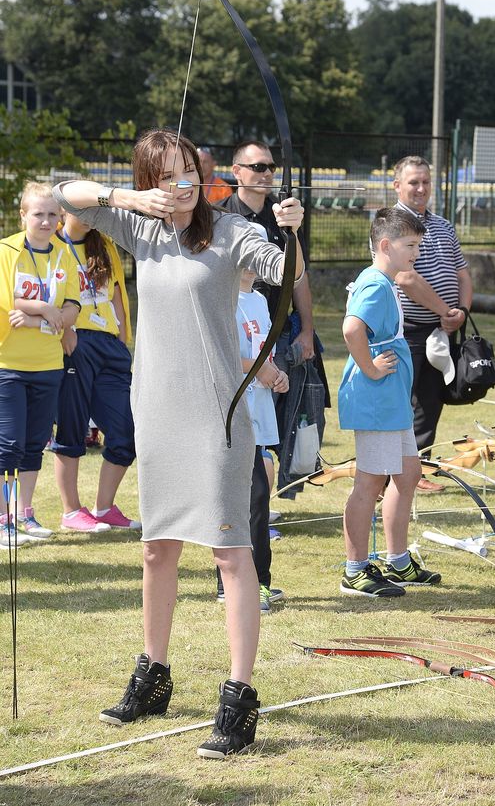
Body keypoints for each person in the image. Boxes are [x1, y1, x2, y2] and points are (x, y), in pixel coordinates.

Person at [53, 128, 304, 758]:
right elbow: (64, 193)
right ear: (150, 182)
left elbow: (283, 272)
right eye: (166, 175)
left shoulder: (230, 231)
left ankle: (239, 698)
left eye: (187, 169)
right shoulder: (141, 229)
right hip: (158, 411)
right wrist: (127, 199)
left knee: (230, 554)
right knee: (156, 549)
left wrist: (291, 231)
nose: (181, 183)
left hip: (217, 415)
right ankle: (153, 675)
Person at [338, 208, 442, 597]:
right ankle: (355, 570)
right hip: (377, 401)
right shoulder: (375, 284)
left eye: (418, 245)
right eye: (410, 245)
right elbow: (352, 328)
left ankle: (398, 561)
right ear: (386, 245)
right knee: (370, 482)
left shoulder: (386, 281)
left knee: (408, 473)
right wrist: (371, 368)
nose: (417, 253)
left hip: (392, 401)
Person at [221, 140, 328, 499]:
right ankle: (240, 501)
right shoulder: (219, 216)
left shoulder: (283, 216)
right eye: (258, 167)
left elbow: (299, 276)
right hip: (234, 331)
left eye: (271, 167)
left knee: (280, 416)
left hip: (274, 330)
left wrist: (307, 330)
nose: (267, 173)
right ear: (237, 172)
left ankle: (264, 500)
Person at [0, 182, 80, 547]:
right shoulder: (7, 251)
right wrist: (45, 308)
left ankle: (24, 514)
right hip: (8, 365)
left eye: (52, 214)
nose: (46, 221)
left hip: (48, 365)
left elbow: (72, 309)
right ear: (23, 215)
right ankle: (3, 519)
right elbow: (9, 301)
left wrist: (37, 319)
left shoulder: (64, 254)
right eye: (38, 214)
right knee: (8, 446)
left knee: (34, 444)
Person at [50, 211, 140, 533]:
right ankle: (71, 511)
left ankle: (104, 508)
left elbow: (115, 293)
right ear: (64, 210)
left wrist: (121, 338)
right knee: (71, 427)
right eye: (80, 209)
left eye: (93, 209)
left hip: (110, 346)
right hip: (75, 342)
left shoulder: (105, 244)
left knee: (126, 431)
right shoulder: (52, 245)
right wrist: (66, 333)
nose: (89, 216)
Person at [392, 155, 473, 490]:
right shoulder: (392, 225)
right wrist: (446, 310)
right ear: (397, 185)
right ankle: (391, 474)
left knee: (430, 401)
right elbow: (406, 278)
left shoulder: (443, 225)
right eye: (414, 182)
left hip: (442, 329)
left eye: (426, 181)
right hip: (407, 330)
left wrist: (461, 311)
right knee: (401, 404)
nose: (421, 188)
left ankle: (418, 470)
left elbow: (462, 273)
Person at [216, 239, 288, 612]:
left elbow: (263, 352)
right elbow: (222, 354)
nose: (249, 263)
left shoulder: (259, 300)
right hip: (231, 411)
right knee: (247, 495)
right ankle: (236, 584)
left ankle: (257, 581)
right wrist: (260, 369)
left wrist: (276, 374)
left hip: (257, 409)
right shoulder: (222, 298)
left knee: (257, 495)